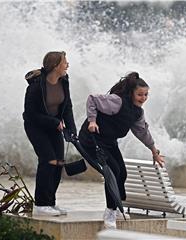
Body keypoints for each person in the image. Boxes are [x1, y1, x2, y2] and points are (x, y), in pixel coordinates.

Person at [78, 72, 165, 229]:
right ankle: (110, 212)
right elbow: (92, 99)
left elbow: (142, 132)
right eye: (140, 94)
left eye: (146, 95)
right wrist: (92, 121)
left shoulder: (137, 112)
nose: (143, 98)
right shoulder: (117, 101)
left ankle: (116, 207)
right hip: (92, 139)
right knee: (112, 171)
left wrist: (153, 150)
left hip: (109, 142)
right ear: (131, 92)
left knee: (122, 173)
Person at [23, 51, 77, 216]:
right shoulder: (36, 86)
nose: (67, 65)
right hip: (36, 127)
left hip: (54, 127)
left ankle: (50, 203)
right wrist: (54, 122)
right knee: (49, 161)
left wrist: (72, 129)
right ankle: (40, 204)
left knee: (59, 163)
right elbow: (31, 114)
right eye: (65, 62)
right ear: (55, 66)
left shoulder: (64, 81)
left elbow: (67, 107)